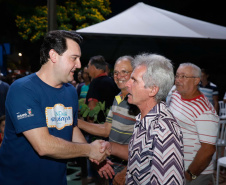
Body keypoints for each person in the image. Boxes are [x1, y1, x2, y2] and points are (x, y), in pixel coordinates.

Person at [0, 30, 110, 185]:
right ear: (53, 56)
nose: (79, 65)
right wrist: (89, 150)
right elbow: (43, 145)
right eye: (74, 58)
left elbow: (70, 128)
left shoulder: (70, 91)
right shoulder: (23, 89)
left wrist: (94, 154)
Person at [113, 53, 184, 185]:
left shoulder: (164, 130)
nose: (128, 84)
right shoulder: (144, 119)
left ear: (152, 90)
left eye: (134, 80)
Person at [78, 56, 139, 181]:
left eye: (124, 72)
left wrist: (127, 171)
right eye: (116, 72)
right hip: (114, 168)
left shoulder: (138, 100)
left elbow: (146, 145)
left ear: (134, 73)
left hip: (130, 172)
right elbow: (106, 129)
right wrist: (76, 122)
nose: (118, 76)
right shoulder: (118, 97)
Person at [168, 63, 219, 184]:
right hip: (174, 168)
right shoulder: (175, 94)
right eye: (177, 76)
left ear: (197, 80)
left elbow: (208, 150)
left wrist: (190, 175)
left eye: (184, 77)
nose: (178, 80)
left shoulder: (205, 111)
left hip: (195, 173)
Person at [85, 55, 119, 123]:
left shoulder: (95, 83)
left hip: (98, 125)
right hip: (112, 122)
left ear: (93, 67)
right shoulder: (113, 82)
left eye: (88, 66)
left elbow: (92, 107)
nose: (87, 70)